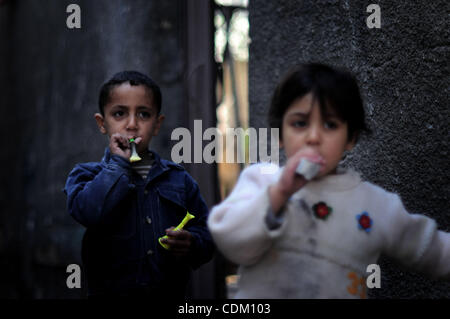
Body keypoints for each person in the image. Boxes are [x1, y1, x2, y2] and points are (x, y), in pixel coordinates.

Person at [207, 63, 450, 298]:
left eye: (330, 124)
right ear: (280, 134)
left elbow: (435, 251)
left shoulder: (376, 205)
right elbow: (230, 241)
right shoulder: (261, 181)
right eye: (300, 123)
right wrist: (279, 193)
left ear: (351, 138)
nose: (313, 137)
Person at [64, 71, 214, 299]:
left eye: (143, 114)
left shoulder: (179, 180)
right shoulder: (86, 175)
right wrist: (117, 166)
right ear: (102, 123)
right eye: (119, 113)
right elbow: (87, 212)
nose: (132, 125)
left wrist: (191, 243)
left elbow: (207, 235)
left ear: (156, 125)